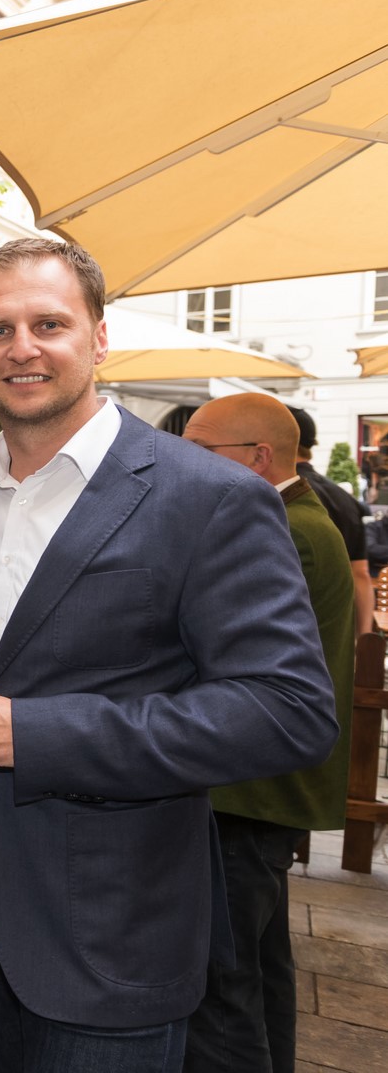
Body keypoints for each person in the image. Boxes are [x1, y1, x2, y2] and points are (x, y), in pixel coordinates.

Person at [0, 238, 337, 1073]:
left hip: (111, 920)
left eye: (49, 324)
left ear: (99, 338)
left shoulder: (210, 497)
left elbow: (288, 711)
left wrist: (42, 735)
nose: (22, 348)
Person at [182, 395, 355, 1073]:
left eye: (201, 452)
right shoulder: (294, 517)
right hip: (256, 785)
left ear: (258, 457)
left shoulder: (285, 527)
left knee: (222, 985)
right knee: (258, 968)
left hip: (249, 787)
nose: (186, 464)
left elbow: (232, 660)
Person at [288, 405, 374, 633]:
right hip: (334, 628)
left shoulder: (284, 494)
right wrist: (364, 637)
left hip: (297, 628)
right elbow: (360, 574)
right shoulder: (343, 497)